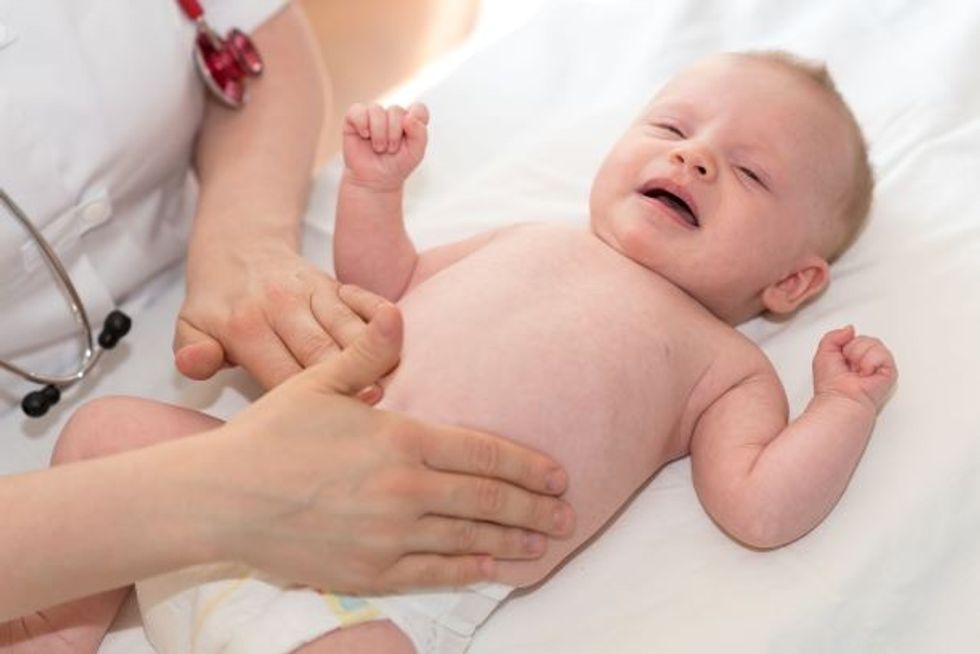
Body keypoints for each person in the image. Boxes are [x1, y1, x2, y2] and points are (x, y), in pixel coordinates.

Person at [23, 49, 898, 654]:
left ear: (792, 283)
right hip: (215, 493)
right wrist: (376, 192)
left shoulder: (724, 365)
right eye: (672, 128)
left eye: (749, 173)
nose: (697, 157)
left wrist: (841, 410)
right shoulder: (530, 238)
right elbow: (387, 288)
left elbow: (758, 508)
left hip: (383, 586)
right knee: (105, 435)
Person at [0, 0, 574, 647]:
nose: (690, 159)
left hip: (207, 290)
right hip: (40, 491)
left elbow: (257, 35)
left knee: (106, 430)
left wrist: (242, 240)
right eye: (672, 129)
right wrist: (219, 496)